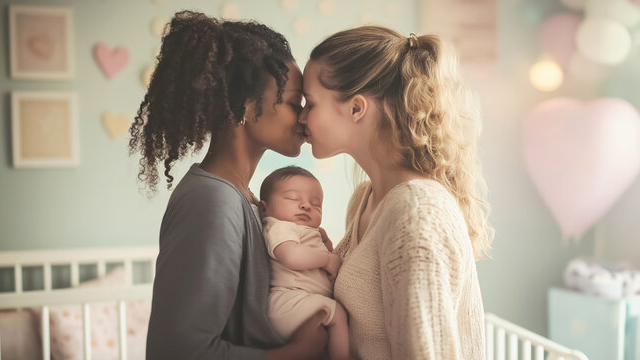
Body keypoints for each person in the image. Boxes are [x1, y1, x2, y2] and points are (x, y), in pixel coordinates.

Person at [129, 11, 328, 360]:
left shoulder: (245, 198)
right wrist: (297, 353)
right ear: (248, 108)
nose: (303, 117)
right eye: (294, 103)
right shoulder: (212, 202)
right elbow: (179, 351)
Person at [298, 26, 495, 359]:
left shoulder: (416, 211)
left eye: (311, 103)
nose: (301, 117)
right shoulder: (365, 199)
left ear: (356, 109)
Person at [258, 166, 349, 360]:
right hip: (287, 301)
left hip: (301, 301)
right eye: (292, 198)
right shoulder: (279, 226)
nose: (306, 206)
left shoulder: (303, 232)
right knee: (338, 314)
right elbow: (292, 257)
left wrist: (327, 247)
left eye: (316, 204)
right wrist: (326, 259)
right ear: (264, 209)